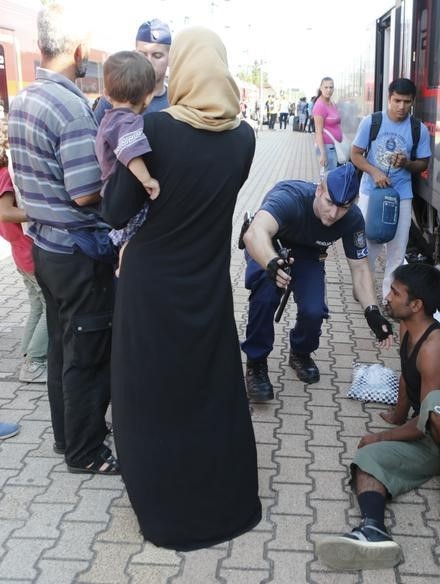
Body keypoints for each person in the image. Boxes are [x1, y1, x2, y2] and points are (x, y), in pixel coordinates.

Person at [101, 27, 261, 550]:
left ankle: (165, 508)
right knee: (207, 390)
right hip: (208, 280)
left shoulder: (155, 128)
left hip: (151, 286)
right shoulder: (245, 137)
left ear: (184, 67)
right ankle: (223, 498)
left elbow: (117, 210)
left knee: (148, 395)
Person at [315, 263, 440, 570]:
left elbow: (427, 414)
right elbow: (406, 377)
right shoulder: (407, 327)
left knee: (435, 404)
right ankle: (372, 530)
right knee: (367, 458)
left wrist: (383, 435)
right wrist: (398, 416)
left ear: (416, 305)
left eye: (395, 292)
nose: (387, 296)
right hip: (431, 432)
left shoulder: (436, 346)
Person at [7, 3, 118, 474]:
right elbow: (86, 192)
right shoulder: (71, 108)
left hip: (46, 248)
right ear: (77, 50)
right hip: (77, 253)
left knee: (61, 347)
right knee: (87, 354)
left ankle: (65, 435)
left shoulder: (25, 98)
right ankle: (85, 451)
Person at [241, 163, 393, 402]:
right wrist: (272, 263)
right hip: (270, 246)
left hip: (308, 254)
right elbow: (254, 233)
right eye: (329, 202)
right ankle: (256, 362)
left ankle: (300, 353)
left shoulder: (352, 219)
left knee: (313, 311)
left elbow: (360, 268)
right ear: (319, 190)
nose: (333, 214)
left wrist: (372, 311)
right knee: (266, 294)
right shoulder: (290, 198)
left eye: (343, 207)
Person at [351, 78, 432, 301]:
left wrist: (406, 163)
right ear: (389, 98)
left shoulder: (418, 130)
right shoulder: (372, 122)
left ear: (413, 102)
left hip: (402, 195)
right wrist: (374, 172)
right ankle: (364, 289)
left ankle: (389, 297)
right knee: (368, 245)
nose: (401, 107)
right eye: (397, 101)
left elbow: (423, 163)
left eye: (407, 102)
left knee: (397, 250)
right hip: (371, 193)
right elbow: (355, 154)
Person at [94, 51, 160, 276]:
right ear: (148, 96)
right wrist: (147, 179)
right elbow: (129, 149)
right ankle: (124, 263)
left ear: (106, 93)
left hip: (108, 189)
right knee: (136, 234)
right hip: (119, 190)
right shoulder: (127, 122)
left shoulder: (108, 118)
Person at [0, 121, 47, 384]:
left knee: (37, 306)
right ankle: (35, 364)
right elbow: (6, 212)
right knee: (50, 308)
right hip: (28, 252)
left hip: (20, 253)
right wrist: (43, 213)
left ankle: (29, 355)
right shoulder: (7, 174)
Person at [94, 19, 171, 123]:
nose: (148, 61)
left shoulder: (174, 101)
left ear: (170, 58)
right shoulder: (116, 95)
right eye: (142, 54)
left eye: (157, 56)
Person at [313, 77, 343, 172]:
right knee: (329, 178)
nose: (329, 90)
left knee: (333, 177)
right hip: (327, 147)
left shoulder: (332, 103)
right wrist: (323, 153)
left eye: (331, 87)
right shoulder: (320, 106)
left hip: (335, 146)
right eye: (326, 87)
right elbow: (318, 132)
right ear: (321, 88)